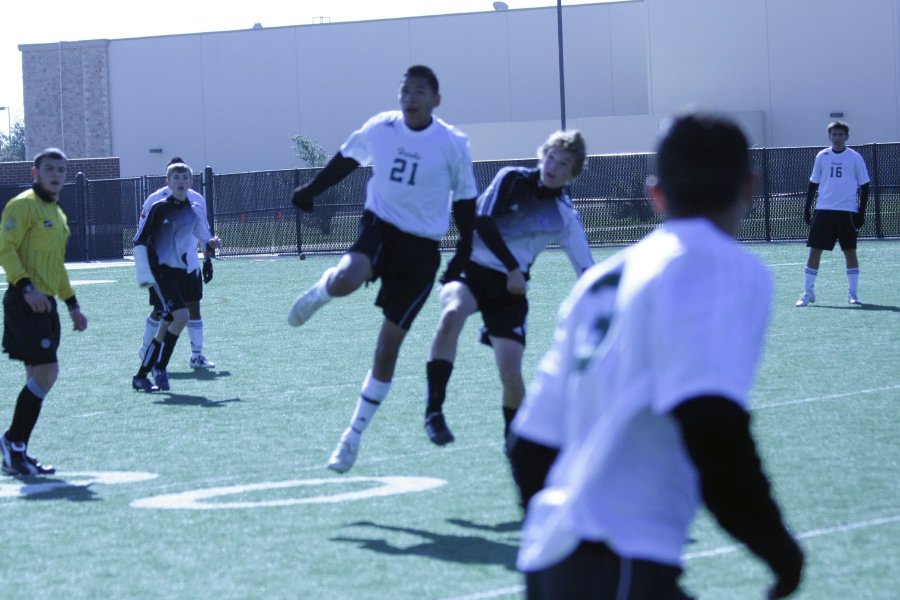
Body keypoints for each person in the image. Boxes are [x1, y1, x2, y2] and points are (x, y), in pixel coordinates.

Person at [508, 113, 804, 599]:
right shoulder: (717, 262)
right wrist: (778, 550)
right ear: (750, 186)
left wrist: (561, 538)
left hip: (553, 562)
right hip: (621, 560)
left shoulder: (600, 281)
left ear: (657, 194)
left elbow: (530, 446)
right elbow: (709, 420)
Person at [287, 65, 478, 473]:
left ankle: (351, 436)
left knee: (387, 347)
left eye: (420, 91)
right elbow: (345, 160)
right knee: (345, 280)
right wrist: (311, 190)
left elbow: (464, 204)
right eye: (405, 90)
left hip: (422, 250)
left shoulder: (452, 144)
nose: (411, 97)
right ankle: (322, 291)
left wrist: (465, 255)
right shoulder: (381, 128)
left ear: (436, 100)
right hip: (380, 227)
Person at [423, 130, 594, 447]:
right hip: (471, 270)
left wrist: (604, 309)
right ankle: (434, 411)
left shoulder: (565, 216)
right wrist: (513, 268)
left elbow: (587, 271)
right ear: (542, 156)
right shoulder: (511, 178)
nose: (553, 166)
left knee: (511, 373)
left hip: (509, 291)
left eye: (563, 163)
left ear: (573, 173)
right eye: (551, 157)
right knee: (452, 314)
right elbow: (483, 222)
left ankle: (513, 442)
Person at [0, 148, 88, 475]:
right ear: (35, 172)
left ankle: (17, 454)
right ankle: (13, 441)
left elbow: (57, 267)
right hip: (25, 302)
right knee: (47, 373)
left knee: (35, 376)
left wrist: (72, 305)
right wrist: (26, 288)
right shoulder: (22, 205)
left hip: (46, 304)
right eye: (49, 169)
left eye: (62, 170)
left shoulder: (58, 214)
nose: (56, 175)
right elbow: (5, 249)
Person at [132, 162, 221, 392]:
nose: (180, 182)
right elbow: (139, 240)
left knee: (167, 324)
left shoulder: (195, 209)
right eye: (176, 178)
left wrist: (211, 246)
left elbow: (204, 236)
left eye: (184, 178)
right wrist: (144, 274)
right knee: (180, 315)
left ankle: (141, 375)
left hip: (183, 271)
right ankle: (160, 366)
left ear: (190, 183)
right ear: (168, 183)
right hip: (161, 273)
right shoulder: (158, 208)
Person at [796, 120, 870, 306]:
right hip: (824, 211)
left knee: (850, 252)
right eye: (834, 134)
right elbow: (813, 183)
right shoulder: (822, 156)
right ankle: (807, 293)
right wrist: (807, 208)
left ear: (846, 136)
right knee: (814, 252)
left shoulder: (854, 157)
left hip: (847, 212)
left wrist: (861, 212)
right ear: (829, 136)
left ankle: (853, 294)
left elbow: (865, 185)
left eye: (840, 134)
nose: (837, 138)